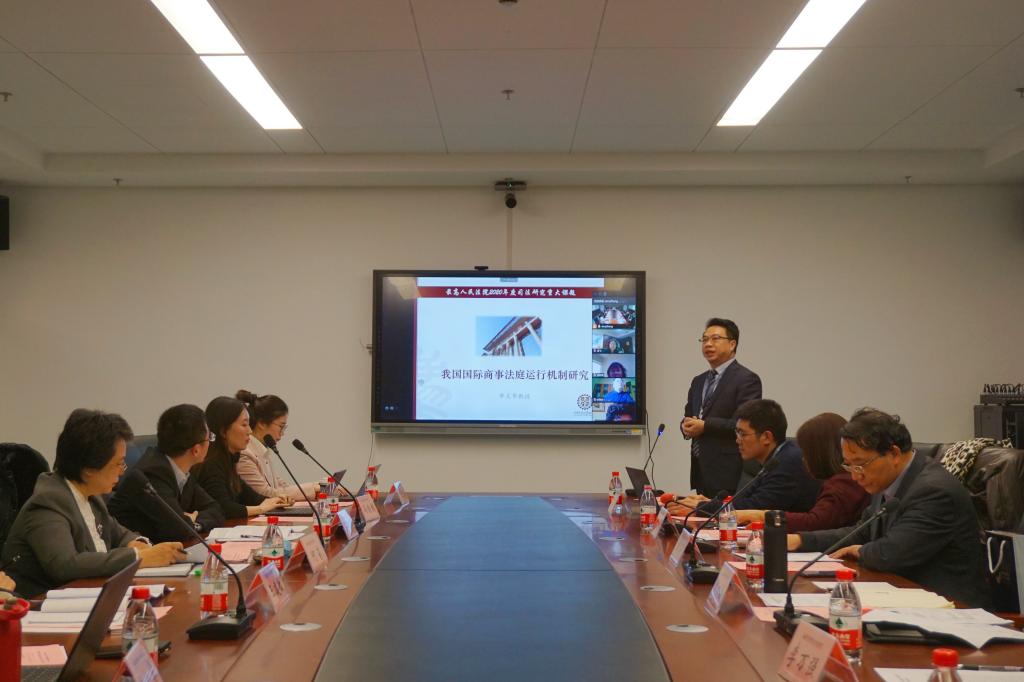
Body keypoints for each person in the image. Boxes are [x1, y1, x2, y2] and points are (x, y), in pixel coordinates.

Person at [789, 408, 988, 607]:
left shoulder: (934, 491)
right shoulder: (888, 479)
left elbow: (891, 554)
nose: (855, 476)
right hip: (904, 595)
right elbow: (862, 531)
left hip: (949, 607)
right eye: (849, 465)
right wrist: (800, 540)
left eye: (860, 464)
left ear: (893, 453)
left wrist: (860, 551)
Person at [1, 410, 185, 598]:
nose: (122, 471)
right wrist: (139, 557)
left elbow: (120, 534)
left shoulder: (91, 496)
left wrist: (138, 544)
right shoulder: (48, 503)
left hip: (88, 595)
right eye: (118, 463)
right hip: (41, 605)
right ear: (89, 468)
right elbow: (66, 565)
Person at [671, 399, 820, 516]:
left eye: (742, 433)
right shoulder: (776, 457)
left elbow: (755, 507)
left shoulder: (789, 462)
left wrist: (701, 507)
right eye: (737, 433)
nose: (737, 440)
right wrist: (710, 502)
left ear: (766, 437)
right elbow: (743, 500)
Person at [108, 404, 226, 542]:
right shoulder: (152, 473)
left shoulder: (181, 469)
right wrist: (189, 523)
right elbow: (179, 530)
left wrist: (194, 523)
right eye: (209, 437)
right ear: (196, 450)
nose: (211, 442)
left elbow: (216, 510)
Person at [734, 412, 871, 531]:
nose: (803, 458)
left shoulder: (844, 483)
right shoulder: (836, 480)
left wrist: (763, 516)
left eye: (806, 452)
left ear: (819, 453)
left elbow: (815, 522)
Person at [681, 318, 762, 495]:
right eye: (704, 339)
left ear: (732, 344)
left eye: (715, 339)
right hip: (700, 469)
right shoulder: (698, 381)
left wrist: (705, 426)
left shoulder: (747, 379)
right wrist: (685, 426)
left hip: (728, 472)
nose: (708, 344)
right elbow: (690, 414)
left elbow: (744, 425)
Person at [191, 397, 290, 520]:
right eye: (244, 425)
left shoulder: (229, 459)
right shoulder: (210, 463)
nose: (249, 431)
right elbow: (222, 508)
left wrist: (275, 501)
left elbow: (250, 496)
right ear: (223, 431)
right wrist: (261, 508)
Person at [236, 390, 317, 500]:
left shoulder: (262, 450)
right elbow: (265, 493)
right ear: (262, 423)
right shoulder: (244, 454)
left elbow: (282, 487)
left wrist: (318, 486)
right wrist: (315, 488)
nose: (282, 433)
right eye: (281, 426)